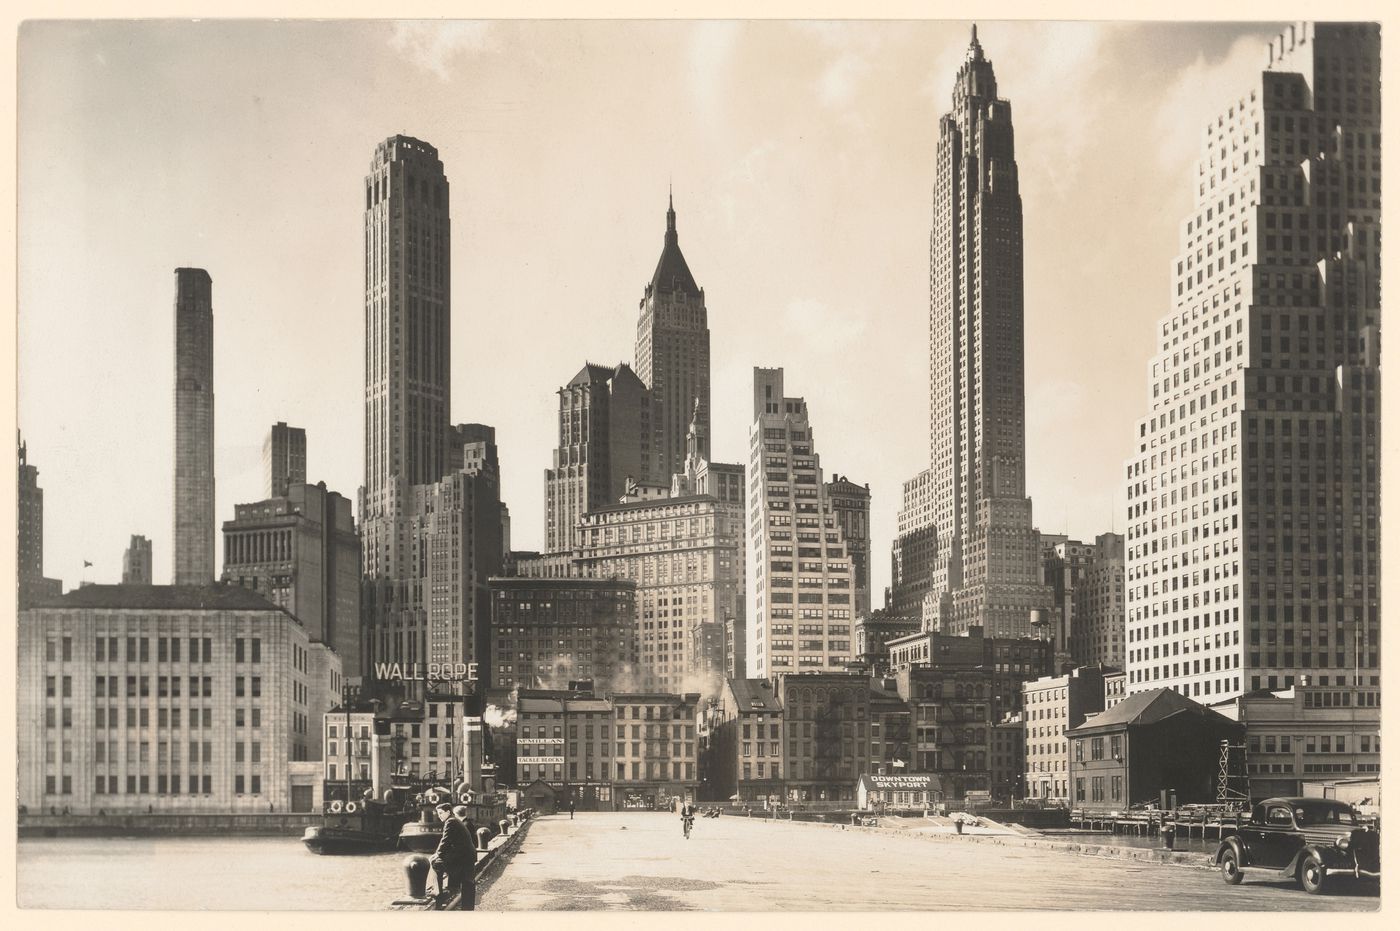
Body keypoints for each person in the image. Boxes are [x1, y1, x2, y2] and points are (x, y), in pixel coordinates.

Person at [430, 802, 477, 910]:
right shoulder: (454, 820)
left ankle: (438, 894)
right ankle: (467, 907)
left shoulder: (450, 822)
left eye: (441, 813)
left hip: (464, 857)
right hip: (467, 855)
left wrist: (437, 854)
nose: (439, 816)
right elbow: (451, 841)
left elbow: (445, 841)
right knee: (468, 882)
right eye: (438, 813)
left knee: (436, 864)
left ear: (448, 812)